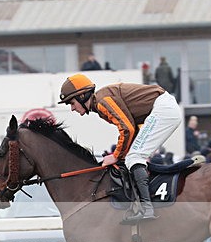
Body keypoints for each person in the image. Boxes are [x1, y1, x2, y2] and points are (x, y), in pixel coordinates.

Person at [58, 73, 182, 223]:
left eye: (72, 103)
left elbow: (127, 129)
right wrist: (120, 155)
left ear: (82, 96)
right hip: (163, 109)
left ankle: (147, 208)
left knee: (134, 157)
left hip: (163, 110)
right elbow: (132, 128)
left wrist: (115, 155)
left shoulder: (102, 102)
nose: (72, 109)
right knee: (131, 157)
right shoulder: (100, 103)